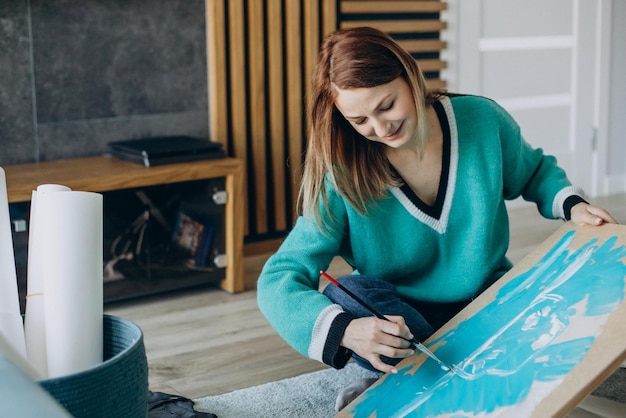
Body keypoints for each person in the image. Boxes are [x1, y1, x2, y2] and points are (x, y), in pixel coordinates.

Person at [256, 26, 618, 410]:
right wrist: (348, 331)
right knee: (350, 296)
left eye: (386, 106)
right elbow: (279, 277)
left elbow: (532, 172)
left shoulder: (481, 119)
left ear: (409, 75)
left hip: (488, 298)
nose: (380, 129)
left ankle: (414, 383)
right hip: (405, 321)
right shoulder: (343, 175)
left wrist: (574, 206)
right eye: (360, 121)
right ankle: (446, 375)